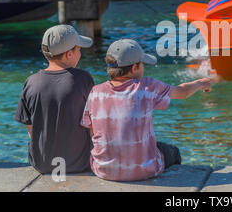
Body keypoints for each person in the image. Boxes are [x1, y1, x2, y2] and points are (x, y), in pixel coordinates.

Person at [81, 39, 214, 182]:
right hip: (145, 170)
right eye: (142, 64)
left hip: (104, 170)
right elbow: (182, 92)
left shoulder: (95, 92)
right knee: (173, 151)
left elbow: (93, 133)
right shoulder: (147, 87)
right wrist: (200, 83)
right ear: (134, 68)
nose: (143, 68)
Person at [15, 25, 95, 174]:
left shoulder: (31, 82)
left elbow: (30, 129)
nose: (80, 53)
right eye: (79, 49)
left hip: (42, 164)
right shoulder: (83, 79)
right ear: (69, 54)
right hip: (78, 163)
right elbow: (93, 124)